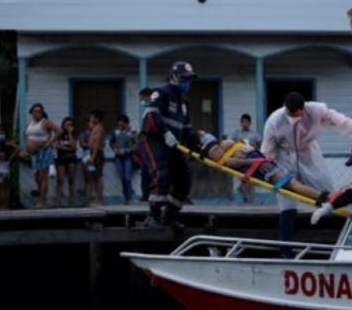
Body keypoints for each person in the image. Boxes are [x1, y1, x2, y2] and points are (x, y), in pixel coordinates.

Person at [262, 91, 352, 250]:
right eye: (294, 113)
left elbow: (340, 121)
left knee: (326, 189)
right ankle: (285, 249)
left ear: (304, 107)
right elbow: (268, 150)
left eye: (301, 111)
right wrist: (269, 172)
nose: (298, 115)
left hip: (309, 153)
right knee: (286, 201)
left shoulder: (316, 110)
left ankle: (350, 236)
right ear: (287, 109)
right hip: (284, 157)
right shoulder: (274, 122)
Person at [137, 61, 200, 230]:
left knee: (183, 179)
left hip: (173, 144)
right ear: (173, 77)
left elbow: (187, 130)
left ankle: (169, 216)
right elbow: (151, 116)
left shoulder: (184, 103)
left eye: (189, 79)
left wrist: (196, 147)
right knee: (162, 174)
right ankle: (153, 216)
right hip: (153, 140)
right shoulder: (161, 93)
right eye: (183, 78)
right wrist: (164, 132)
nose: (187, 82)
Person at [195, 131, 328, 203]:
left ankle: (321, 196)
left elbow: (221, 143)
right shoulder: (227, 160)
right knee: (293, 186)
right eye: (214, 152)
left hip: (264, 165)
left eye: (217, 149)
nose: (217, 151)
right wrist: (258, 160)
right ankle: (321, 196)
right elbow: (243, 163)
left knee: (293, 185)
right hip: (263, 168)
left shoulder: (225, 148)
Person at [23, 103, 62, 209]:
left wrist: (49, 143)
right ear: (31, 112)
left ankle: (42, 202)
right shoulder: (30, 123)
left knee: (43, 177)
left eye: (39, 111)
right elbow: (25, 134)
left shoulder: (45, 122)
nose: (37, 113)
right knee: (37, 178)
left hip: (44, 152)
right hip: (34, 154)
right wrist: (28, 147)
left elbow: (59, 131)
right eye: (35, 111)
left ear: (42, 112)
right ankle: (41, 200)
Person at [229, 113, 260, 203]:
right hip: (240, 159)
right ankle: (246, 197)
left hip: (251, 158)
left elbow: (259, 146)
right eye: (243, 122)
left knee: (251, 180)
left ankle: (252, 200)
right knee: (245, 179)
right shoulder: (237, 133)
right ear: (241, 123)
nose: (244, 124)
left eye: (246, 122)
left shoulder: (254, 134)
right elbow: (231, 145)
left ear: (250, 123)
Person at [110, 114, 137, 205]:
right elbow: (111, 142)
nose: (120, 125)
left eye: (122, 123)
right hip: (118, 157)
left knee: (127, 177)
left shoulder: (132, 131)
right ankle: (126, 197)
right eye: (119, 123)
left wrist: (126, 151)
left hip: (128, 156)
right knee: (122, 177)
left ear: (126, 122)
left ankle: (130, 196)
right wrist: (114, 149)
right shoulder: (116, 131)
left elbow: (136, 145)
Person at [54, 117, 79, 207]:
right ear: (63, 124)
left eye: (70, 125)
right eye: (67, 124)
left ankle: (72, 202)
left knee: (71, 180)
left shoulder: (74, 134)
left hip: (71, 158)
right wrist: (68, 148)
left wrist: (70, 133)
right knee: (60, 180)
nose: (68, 126)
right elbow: (56, 145)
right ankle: (58, 201)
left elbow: (74, 146)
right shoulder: (59, 133)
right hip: (61, 158)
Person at [0, 124, 18, 210]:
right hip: (3, 169)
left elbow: (18, 149)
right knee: (3, 189)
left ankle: (2, 206)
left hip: (2, 169)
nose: (0, 135)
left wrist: (11, 158)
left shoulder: (5, 145)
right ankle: (2, 206)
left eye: (2, 133)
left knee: (2, 189)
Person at [85, 109, 106, 206]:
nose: (90, 119)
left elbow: (97, 143)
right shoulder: (94, 128)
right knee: (94, 177)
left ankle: (100, 200)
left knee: (98, 177)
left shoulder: (99, 128)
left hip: (96, 153)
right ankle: (97, 199)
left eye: (92, 117)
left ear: (97, 118)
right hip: (93, 152)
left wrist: (93, 157)